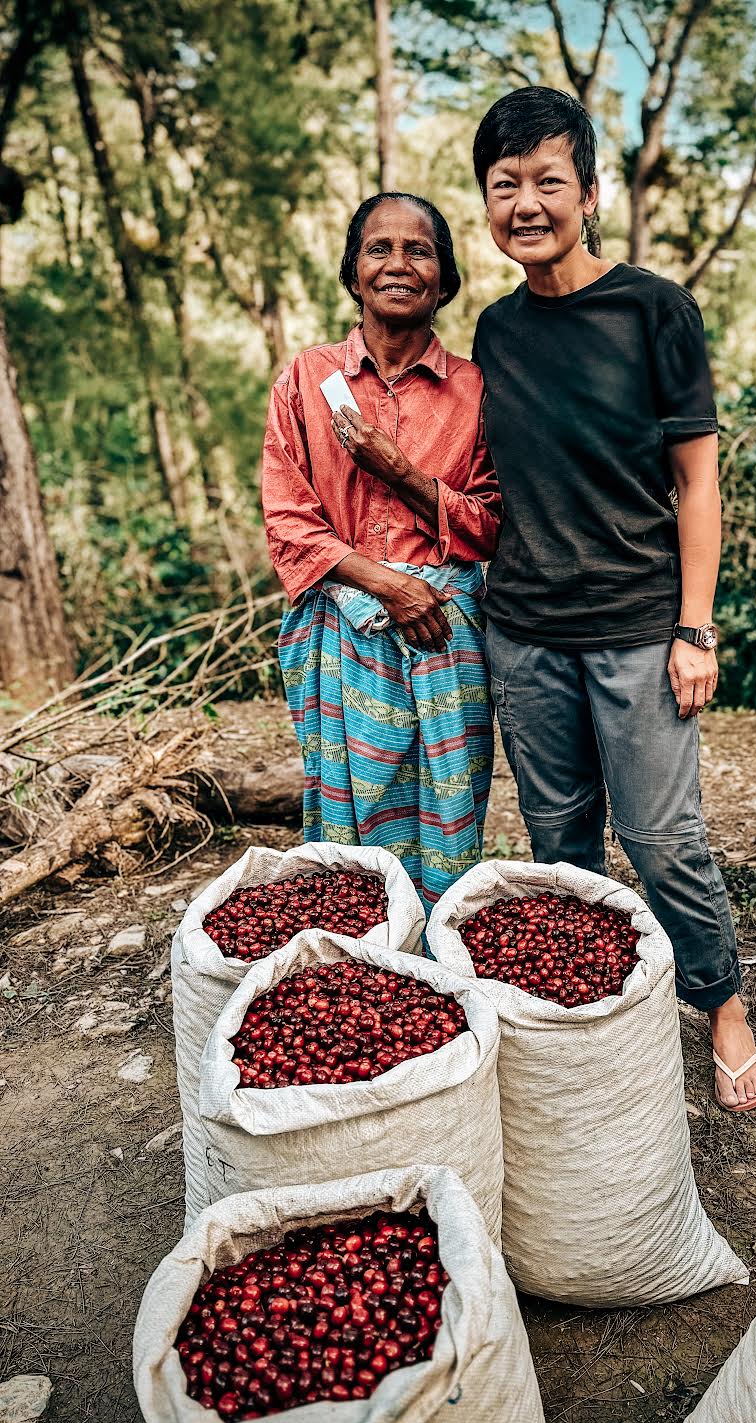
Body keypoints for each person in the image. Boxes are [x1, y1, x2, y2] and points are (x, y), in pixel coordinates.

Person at [470, 88, 756, 1112]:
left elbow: (698, 482)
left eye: (547, 180)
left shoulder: (653, 309)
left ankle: (720, 1003)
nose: (525, 202)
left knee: (660, 835)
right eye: (504, 184)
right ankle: (588, 1012)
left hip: (641, 629)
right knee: (559, 842)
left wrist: (696, 627)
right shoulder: (493, 329)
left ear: (588, 192)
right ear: (486, 203)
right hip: (524, 634)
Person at [261, 193, 501, 909]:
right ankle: (360, 973)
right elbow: (289, 523)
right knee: (346, 825)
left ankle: (437, 971)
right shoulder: (306, 380)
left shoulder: (476, 391)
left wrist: (398, 469)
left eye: (419, 250)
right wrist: (388, 586)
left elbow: (490, 524)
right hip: (343, 634)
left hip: (445, 634)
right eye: (378, 249)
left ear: (445, 278)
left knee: (446, 819)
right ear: (354, 271)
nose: (399, 264)